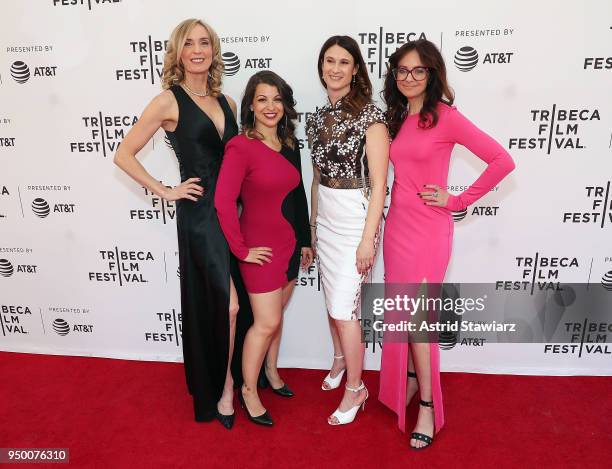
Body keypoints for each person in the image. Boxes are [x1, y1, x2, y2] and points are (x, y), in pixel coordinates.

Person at [113, 18, 252, 429]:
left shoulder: (226, 101)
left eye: (204, 43)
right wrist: (166, 189)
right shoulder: (167, 101)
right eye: (188, 43)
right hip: (200, 213)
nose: (197, 50)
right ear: (177, 52)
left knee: (238, 300)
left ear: (213, 50)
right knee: (228, 305)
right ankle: (223, 386)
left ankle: (240, 377)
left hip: (235, 211)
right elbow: (123, 154)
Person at [379, 39, 515, 449]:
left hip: (429, 233)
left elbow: (502, 160)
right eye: (402, 70)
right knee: (402, 314)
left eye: (418, 70)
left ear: (433, 74)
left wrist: (457, 201)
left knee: (419, 322)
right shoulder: (398, 117)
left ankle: (427, 404)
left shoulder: (447, 117)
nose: (409, 77)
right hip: (398, 229)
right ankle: (404, 380)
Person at [214, 70, 313, 426]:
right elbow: (223, 203)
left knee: (276, 318)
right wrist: (241, 250)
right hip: (261, 251)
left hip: (288, 246)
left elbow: (297, 197)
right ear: (250, 107)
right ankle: (248, 391)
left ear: (285, 104)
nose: (271, 106)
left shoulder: (289, 144)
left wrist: (304, 240)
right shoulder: (241, 146)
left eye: (277, 99)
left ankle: (271, 372)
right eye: (262, 99)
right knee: (265, 321)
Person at [305, 36, 389, 425]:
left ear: (356, 69)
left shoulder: (372, 117)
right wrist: (311, 228)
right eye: (328, 61)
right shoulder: (316, 119)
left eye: (343, 62)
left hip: (356, 221)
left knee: (344, 308)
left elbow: (378, 184)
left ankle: (356, 388)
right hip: (326, 220)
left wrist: (367, 240)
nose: (334, 69)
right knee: (332, 305)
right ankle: (339, 359)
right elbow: (316, 180)